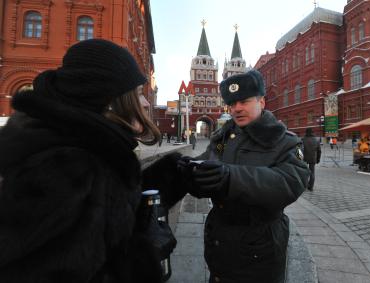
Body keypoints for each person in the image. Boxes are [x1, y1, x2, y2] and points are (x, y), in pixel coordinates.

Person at [0, 39, 188, 283]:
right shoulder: (62, 168)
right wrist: (143, 256)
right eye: (138, 94)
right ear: (108, 99)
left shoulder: (87, 147)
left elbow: (103, 214)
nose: (145, 103)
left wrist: (170, 177)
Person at [180, 70, 310, 283]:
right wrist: (191, 173)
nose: (236, 109)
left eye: (244, 101)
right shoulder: (223, 137)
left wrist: (231, 178)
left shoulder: (284, 141)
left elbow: (291, 181)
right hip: (219, 242)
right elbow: (209, 161)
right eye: (231, 104)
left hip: (259, 246)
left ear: (262, 101)